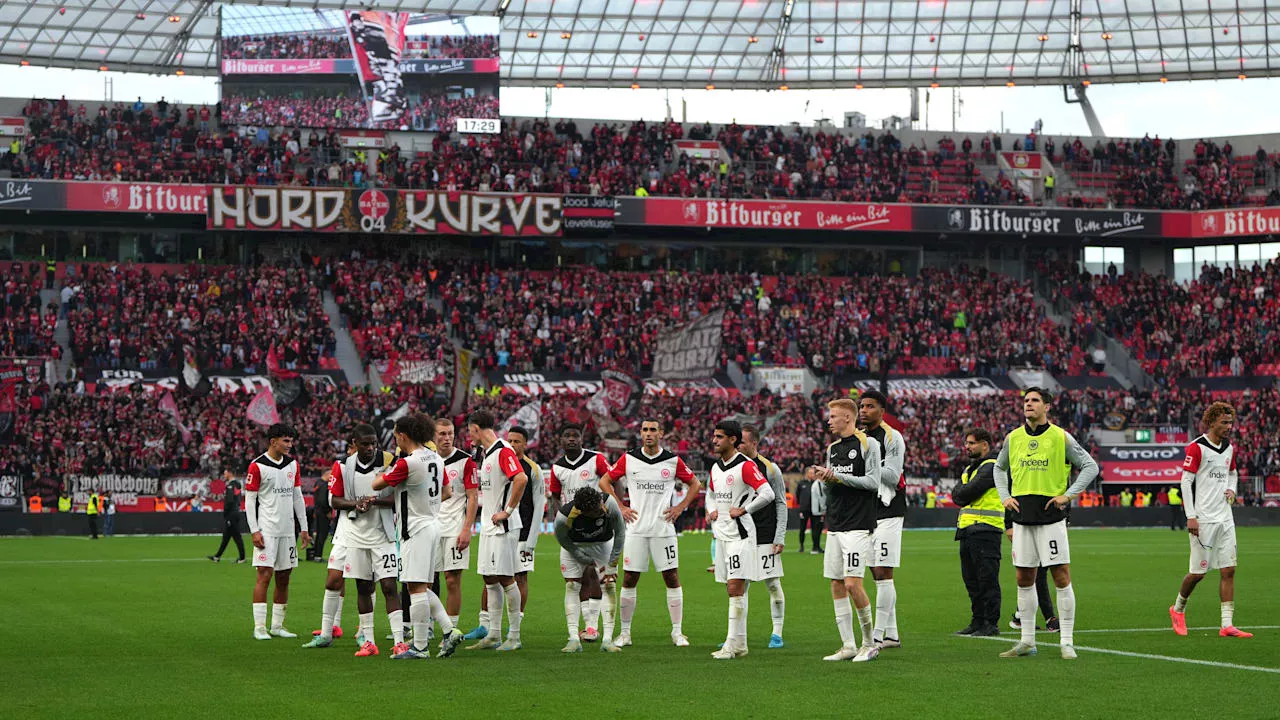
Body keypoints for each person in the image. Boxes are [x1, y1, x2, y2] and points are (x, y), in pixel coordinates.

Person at [994, 388, 1098, 660]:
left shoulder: (1060, 436)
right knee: (1023, 578)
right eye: (1026, 401)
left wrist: (1068, 494)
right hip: (1022, 518)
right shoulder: (1013, 438)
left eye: (1034, 400)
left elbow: (1090, 466)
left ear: (1047, 407)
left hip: (1051, 517)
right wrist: (1005, 496)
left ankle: (1066, 641)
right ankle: (1027, 641)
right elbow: (998, 467)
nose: (1028, 404)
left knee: (1060, 575)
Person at [599, 418, 701, 648]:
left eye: (653, 430)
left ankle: (677, 632)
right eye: (645, 430)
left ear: (661, 433)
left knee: (672, 577)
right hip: (635, 529)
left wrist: (679, 507)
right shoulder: (629, 458)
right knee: (630, 578)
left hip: (663, 529)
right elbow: (605, 481)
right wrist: (621, 507)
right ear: (641, 433)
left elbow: (695, 484)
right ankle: (625, 633)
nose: (648, 433)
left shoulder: (672, 461)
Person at [371, 413, 466, 659]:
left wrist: (390, 467)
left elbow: (376, 485)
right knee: (420, 585)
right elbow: (446, 491)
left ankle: (420, 646)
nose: (396, 441)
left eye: (396, 437)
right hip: (433, 524)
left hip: (415, 528)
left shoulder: (407, 462)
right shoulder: (435, 457)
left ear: (403, 436)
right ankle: (448, 630)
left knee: (414, 588)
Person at [304, 424, 404, 656]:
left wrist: (374, 502)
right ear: (354, 443)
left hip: (383, 535)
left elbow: (398, 498)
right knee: (361, 585)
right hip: (353, 534)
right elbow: (335, 500)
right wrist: (355, 504)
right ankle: (365, 639)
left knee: (389, 585)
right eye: (365, 443)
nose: (370, 448)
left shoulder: (389, 463)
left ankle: (399, 640)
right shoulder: (343, 466)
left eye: (374, 443)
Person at [1169, 402, 1252, 639]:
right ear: (1212, 421)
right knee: (1198, 573)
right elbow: (1185, 482)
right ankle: (1177, 609)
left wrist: (1231, 489)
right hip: (1203, 519)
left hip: (1225, 518)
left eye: (1230, 422)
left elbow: (1233, 472)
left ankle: (1227, 624)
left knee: (1229, 570)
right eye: (1224, 422)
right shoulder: (1197, 447)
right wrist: (1191, 516)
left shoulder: (1228, 448)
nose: (1228, 427)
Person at [810, 398, 882, 663]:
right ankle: (848, 645)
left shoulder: (868, 444)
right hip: (837, 524)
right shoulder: (832, 448)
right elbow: (833, 486)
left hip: (859, 524)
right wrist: (825, 478)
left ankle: (870, 643)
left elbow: (873, 482)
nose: (829, 420)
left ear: (848, 419)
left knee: (853, 583)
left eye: (833, 416)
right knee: (837, 584)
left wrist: (837, 477)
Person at [707, 420, 775, 659]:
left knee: (735, 588)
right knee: (735, 589)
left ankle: (729, 645)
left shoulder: (745, 466)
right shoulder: (716, 467)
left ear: (733, 440)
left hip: (741, 536)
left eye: (719, 436)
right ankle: (741, 644)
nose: (714, 440)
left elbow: (768, 493)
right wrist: (711, 509)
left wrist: (745, 509)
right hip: (722, 536)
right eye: (714, 436)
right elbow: (711, 494)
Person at [464, 409, 529, 652]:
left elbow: (520, 478)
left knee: (504, 578)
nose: (469, 435)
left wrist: (508, 511)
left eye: (470, 430)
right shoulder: (488, 453)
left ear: (476, 428)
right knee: (489, 578)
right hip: (490, 526)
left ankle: (514, 636)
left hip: (503, 527)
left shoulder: (503, 450)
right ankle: (493, 634)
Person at [246, 423, 311, 640]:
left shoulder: (293, 465)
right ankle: (259, 627)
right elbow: (249, 501)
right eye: (286, 441)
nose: (289, 445)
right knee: (264, 575)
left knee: (284, 577)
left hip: (287, 531)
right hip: (267, 530)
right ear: (273, 442)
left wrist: (304, 528)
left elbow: (297, 497)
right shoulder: (257, 466)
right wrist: (255, 530)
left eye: (291, 441)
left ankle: (277, 626)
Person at [547, 423, 612, 642]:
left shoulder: (596, 459)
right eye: (567, 436)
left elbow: (611, 482)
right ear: (561, 440)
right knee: (578, 579)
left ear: (582, 439)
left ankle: (592, 626)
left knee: (595, 575)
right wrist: (561, 518)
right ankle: (587, 628)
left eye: (576, 435)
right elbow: (556, 496)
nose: (572, 439)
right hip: (573, 529)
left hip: (598, 527)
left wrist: (614, 507)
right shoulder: (557, 468)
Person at [859, 390, 908, 649]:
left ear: (881, 410)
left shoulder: (892, 437)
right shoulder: (860, 437)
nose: (864, 410)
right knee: (875, 573)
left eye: (870, 406)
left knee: (883, 571)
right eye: (862, 406)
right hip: (867, 511)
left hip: (889, 508)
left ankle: (876, 636)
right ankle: (891, 634)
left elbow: (892, 475)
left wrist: (866, 470)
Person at [554, 485, 626, 653]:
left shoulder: (609, 503)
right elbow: (562, 539)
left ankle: (608, 640)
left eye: (600, 504)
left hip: (603, 545)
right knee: (572, 586)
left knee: (609, 585)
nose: (601, 509)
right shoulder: (564, 517)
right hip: (574, 546)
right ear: (583, 512)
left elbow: (620, 533)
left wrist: (613, 561)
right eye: (596, 511)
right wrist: (580, 556)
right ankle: (573, 639)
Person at [740, 424, 788, 649]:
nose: (737, 445)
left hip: (766, 534)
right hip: (740, 535)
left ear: (754, 443)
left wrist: (780, 536)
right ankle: (737, 634)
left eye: (741, 441)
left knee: (772, 584)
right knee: (740, 586)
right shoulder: (732, 467)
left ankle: (777, 633)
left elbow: (780, 501)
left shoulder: (770, 468)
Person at [952, 428, 1003, 637]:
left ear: (985, 444)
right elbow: (957, 495)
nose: (967, 447)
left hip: (986, 529)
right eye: (966, 443)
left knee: (987, 579)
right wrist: (962, 493)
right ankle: (977, 620)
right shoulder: (970, 469)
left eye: (972, 443)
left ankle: (990, 623)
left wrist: (963, 493)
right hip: (967, 529)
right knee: (971, 580)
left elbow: (966, 493)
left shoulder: (992, 466)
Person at [434, 418, 480, 641]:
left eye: (450, 433)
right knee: (425, 581)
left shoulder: (466, 461)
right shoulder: (427, 459)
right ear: (433, 436)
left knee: (452, 580)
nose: (447, 438)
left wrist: (466, 529)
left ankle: (450, 630)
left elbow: (472, 496)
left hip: (454, 528)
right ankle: (424, 627)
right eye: (442, 434)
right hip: (429, 529)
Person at [508, 427, 546, 628]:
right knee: (495, 577)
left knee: (520, 577)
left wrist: (532, 540)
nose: (513, 445)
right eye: (510, 440)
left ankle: (517, 621)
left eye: (517, 441)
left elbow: (539, 504)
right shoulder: (501, 464)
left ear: (525, 444)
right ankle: (488, 623)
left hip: (523, 531)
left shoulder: (533, 468)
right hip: (503, 531)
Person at [209, 473, 246, 563]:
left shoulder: (230, 486)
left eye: (225, 473)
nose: (224, 474)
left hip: (231, 514)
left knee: (237, 537)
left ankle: (242, 558)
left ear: (230, 473)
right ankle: (217, 557)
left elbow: (229, 501)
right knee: (226, 536)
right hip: (236, 511)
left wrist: (226, 513)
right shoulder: (237, 484)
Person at [796, 472, 825, 553]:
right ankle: (801, 546)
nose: (813, 475)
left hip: (813, 509)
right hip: (804, 509)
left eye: (813, 473)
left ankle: (816, 546)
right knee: (802, 528)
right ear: (807, 474)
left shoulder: (814, 483)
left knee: (815, 528)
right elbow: (798, 495)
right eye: (811, 473)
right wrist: (801, 506)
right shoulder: (801, 483)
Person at [311, 467, 334, 562]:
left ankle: (316, 554)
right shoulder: (324, 485)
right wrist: (328, 511)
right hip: (323, 513)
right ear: (327, 474)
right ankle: (318, 555)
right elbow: (323, 500)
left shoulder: (318, 483)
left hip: (318, 511)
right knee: (322, 534)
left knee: (319, 534)